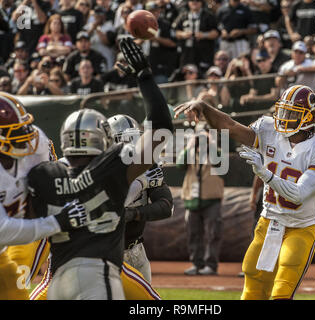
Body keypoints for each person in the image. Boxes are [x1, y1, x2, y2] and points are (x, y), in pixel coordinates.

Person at [26, 37, 174, 300]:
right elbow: (161, 128)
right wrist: (145, 77)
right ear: (103, 139)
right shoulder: (114, 171)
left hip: (59, 275)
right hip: (105, 271)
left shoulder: (44, 175)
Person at [174, 84, 315, 299]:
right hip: (268, 222)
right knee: (252, 288)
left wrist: (265, 174)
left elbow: (299, 193)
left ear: (309, 118)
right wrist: (205, 108)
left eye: (292, 113)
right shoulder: (269, 129)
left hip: (299, 228)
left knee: (281, 291)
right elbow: (231, 126)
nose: (284, 116)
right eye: (283, 110)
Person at [0, 92, 88, 300]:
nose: (26, 135)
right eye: (15, 132)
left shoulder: (36, 142)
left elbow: (52, 179)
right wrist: (57, 222)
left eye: (24, 127)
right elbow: (3, 230)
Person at [107, 114, 174, 283]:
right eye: (126, 139)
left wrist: (134, 213)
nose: (133, 145)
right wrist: (141, 183)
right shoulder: (101, 168)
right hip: (106, 251)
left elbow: (166, 207)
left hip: (136, 250)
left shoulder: (147, 164)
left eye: (135, 138)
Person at [176, 122, 224, 276]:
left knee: (213, 233)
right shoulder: (190, 153)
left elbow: (221, 163)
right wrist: (190, 146)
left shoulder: (216, 152)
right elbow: (179, 165)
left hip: (212, 199)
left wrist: (211, 143)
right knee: (193, 234)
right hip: (192, 200)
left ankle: (211, 265)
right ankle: (197, 264)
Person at [173, 0, 219, 75]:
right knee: (187, 75)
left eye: (197, 0)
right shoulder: (183, 15)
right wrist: (183, 34)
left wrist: (204, 35)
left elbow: (216, 32)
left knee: (204, 75)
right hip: (187, 54)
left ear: (201, 2)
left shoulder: (208, 15)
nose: (194, 2)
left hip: (204, 54)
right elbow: (175, 31)